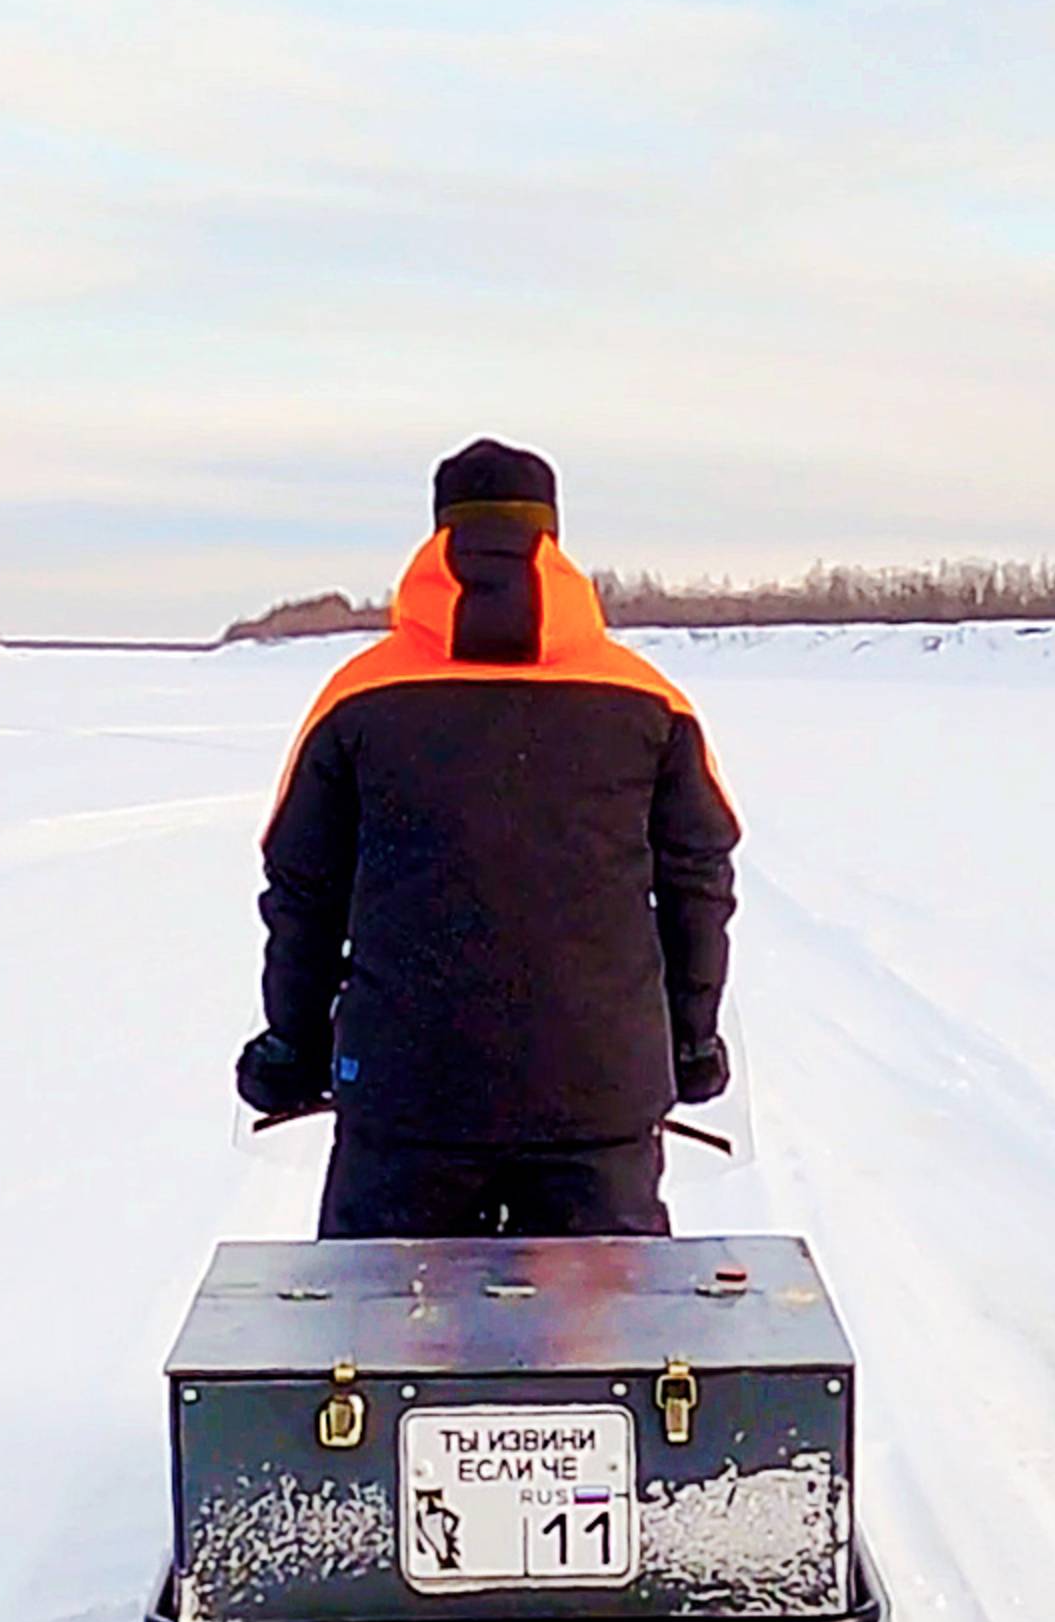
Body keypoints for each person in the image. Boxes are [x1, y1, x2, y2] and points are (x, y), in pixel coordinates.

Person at [239, 440, 741, 1239]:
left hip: (404, 1099)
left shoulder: (355, 697)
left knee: (380, 1338)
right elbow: (699, 885)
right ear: (552, 538)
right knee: (605, 1347)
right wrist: (691, 1042)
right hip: (600, 1098)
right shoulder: (651, 701)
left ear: (441, 536)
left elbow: (302, 890)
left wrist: (291, 1049)